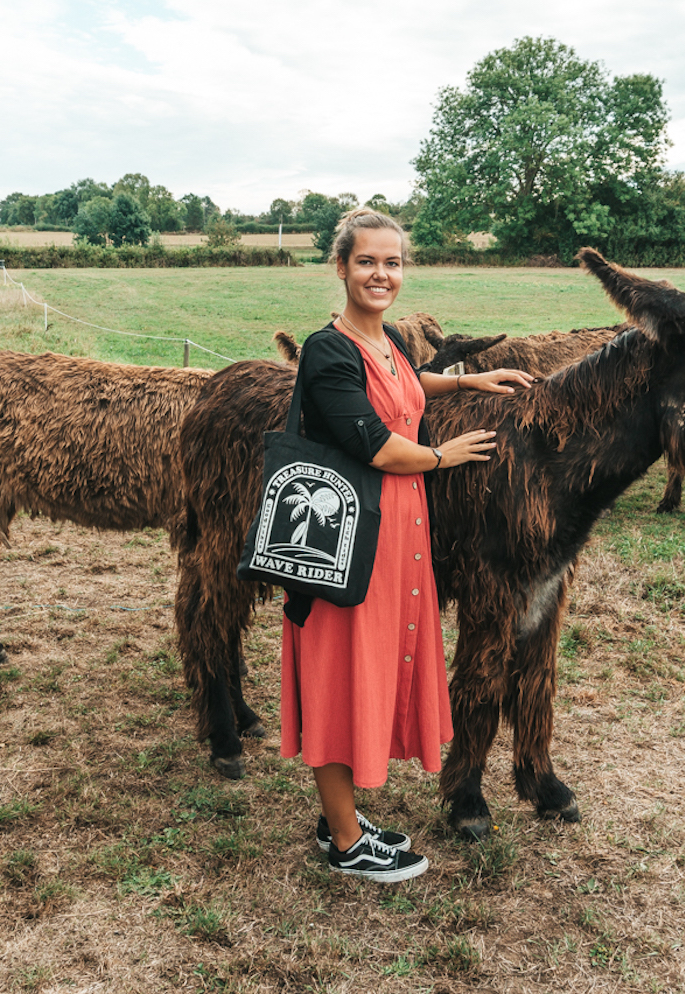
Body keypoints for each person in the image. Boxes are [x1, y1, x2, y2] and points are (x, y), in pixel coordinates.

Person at [280, 208, 534, 882]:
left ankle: (341, 816)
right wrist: (442, 454)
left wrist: (467, 380)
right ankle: (343, 842)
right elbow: (371, 440)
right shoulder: (326, 349)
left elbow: (404, 384)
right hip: (346, 540)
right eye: (367, 261)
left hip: (394, 532)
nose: (381, 274)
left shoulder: (389, 340)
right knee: (337, 674)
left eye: (392, 263)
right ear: (341, 267)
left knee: (365, 667)